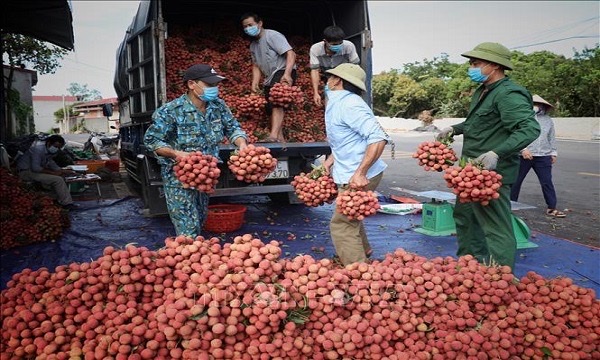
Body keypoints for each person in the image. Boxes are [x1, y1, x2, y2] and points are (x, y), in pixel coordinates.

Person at [436, 42, 541, 271]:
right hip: (469, 174)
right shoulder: (483, 91)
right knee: (466, 220)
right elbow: (477, 123)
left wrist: (497, 152)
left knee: (495, 225)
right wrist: (455, 128)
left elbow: (529, 129)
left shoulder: (508, 93)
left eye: (476, 63)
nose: (471, 68)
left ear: (494, 65)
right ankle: (470, 268)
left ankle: (500, 276)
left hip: (492, 174)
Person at [144, 64, 249, 238]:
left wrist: (242, 144)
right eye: (209, 85)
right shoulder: (171, 111)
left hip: (207, 176)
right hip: (179, 178)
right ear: (192, 84)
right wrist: (177, 154)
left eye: (216, 85)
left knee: (200, 219)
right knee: (188, 227)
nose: (214, 89)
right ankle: (187, 257)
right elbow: (152, 140)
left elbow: (233, 128)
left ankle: (195, 254)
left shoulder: (218, 106)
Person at [322, 63, 390, 266]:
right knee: (351, 215)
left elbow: (378, 137)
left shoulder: (350, 104)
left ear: (337, 81)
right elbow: (345, 137)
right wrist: (332, 158)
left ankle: (357, 270)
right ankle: (364, 251)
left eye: (330, 78)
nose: (327, 81)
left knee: (342, 223)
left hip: (359, 175)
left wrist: (361, 172)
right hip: (350, 172)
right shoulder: (336, 103)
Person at [241, 12, 297, 143]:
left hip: (282, 71)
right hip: (270, 77)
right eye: (245, 27)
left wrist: (287, 74)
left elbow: (291, 54)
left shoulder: (272, 35)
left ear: (260, 23)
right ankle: (281, 139)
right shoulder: (253, 45)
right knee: (270, 108)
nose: (248, 28)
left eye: (250, 25)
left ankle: (273, 136)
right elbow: (256, 66)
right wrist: (254, 85)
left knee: (277, 102)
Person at [510, 95, 566, 218]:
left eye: (539, 105)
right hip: (524, 156)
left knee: (547, 182)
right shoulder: (522, 118)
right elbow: (515, 134)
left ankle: (552, 207)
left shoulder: (548, 120)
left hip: (543, 156)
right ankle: (510, 206)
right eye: (533, 104)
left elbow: (551, 136)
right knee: (515, 181)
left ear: (544, 106)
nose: (537, 107)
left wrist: (553, 152)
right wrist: (523, 149)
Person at [15, 135, 78, 209]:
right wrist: (54, 173)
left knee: (62, 177)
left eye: (59, 148)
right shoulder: (38, 149)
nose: (57, 149)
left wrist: (63, 171)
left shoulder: (48, 150)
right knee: (58, 179)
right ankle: (67, 204)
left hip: (33, 171)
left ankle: (56, 199)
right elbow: (36, 168)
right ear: (49, 143)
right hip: (25, 172)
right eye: (56, 146)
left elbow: (50, 162)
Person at [309, 25, 360, 107]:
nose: (338, 46)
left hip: (344, 75)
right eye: (334, 44)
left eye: (340, 43)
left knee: (345, 101)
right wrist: (316, 92)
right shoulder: (315, 49)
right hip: (327, 74)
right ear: (325, 41)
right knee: (330, 99)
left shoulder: (349, 46)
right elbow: (315, 71)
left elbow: (355, 67)